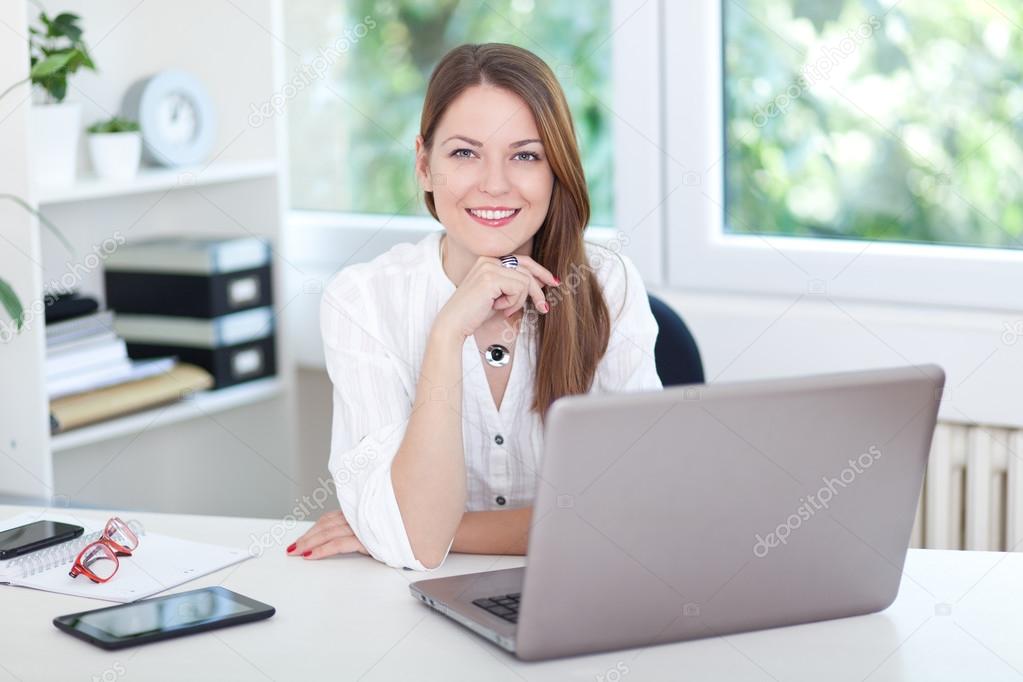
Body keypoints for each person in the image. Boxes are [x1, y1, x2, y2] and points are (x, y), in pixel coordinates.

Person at [288, 42, 661, 570]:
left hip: (585, 588)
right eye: (464, 153)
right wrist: (447, 334)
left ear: (556, 170)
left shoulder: (607, 284)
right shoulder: (362, 301)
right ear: (423, 165)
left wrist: (440, 528)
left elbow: (638, 511)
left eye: (525, 155)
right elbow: (421, 548)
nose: (494, 183)